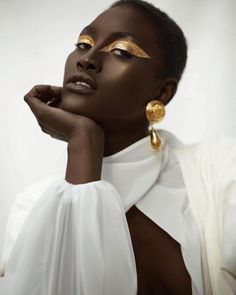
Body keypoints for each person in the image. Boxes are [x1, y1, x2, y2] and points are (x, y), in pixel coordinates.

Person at [0, 0, 235, 294]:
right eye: (83, 44)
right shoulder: (31, 209)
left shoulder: (219, 175)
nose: (87, 59)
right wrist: (84, 142)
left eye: (122, 51)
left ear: (162, 92)